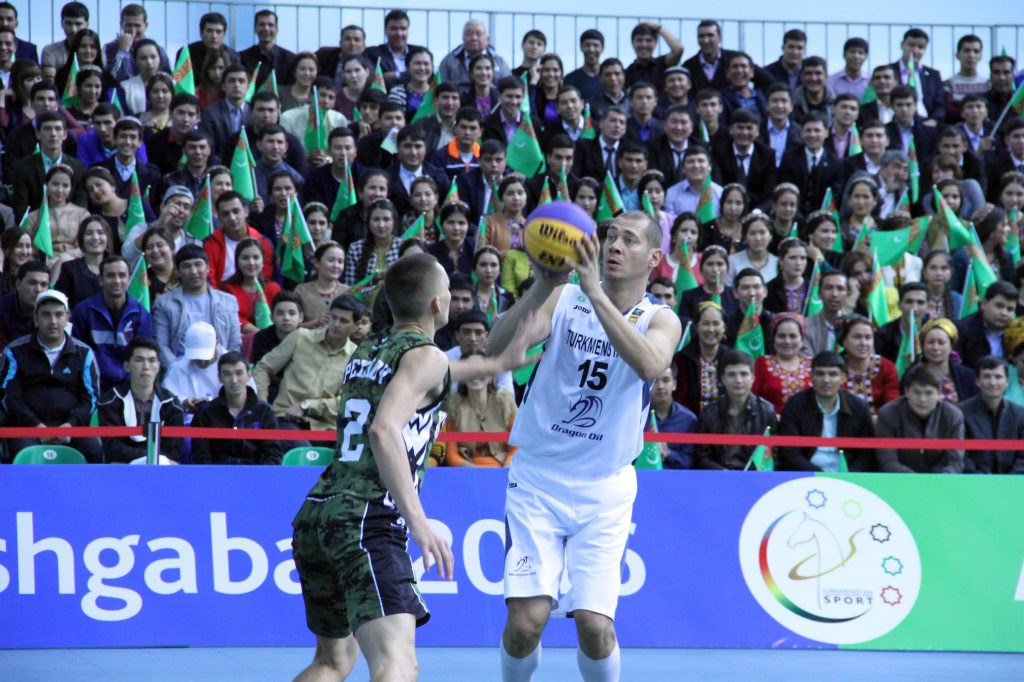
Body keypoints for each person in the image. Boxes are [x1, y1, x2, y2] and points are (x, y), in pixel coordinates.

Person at [290, 253, 527, 681]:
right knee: (397, 664)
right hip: (369, 520)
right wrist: (418, 521)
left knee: (332, 662)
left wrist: (505, 358)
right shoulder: (427, 356)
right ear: (439, 304)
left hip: (319, 513)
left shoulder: (370, 348)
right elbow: (384, 430)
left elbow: (452, 370)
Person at [487, 210, 680, 682]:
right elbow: (495, 348)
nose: (614, 245)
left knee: (595, 628)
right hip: (538, 480)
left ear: (654, 258)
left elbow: (651, 365)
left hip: (605, 489)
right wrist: (541, 283)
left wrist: (595, 291)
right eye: (610, 236)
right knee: (525, 623)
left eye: (628, 241)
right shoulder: (564, 297)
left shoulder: (662, 318)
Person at [0, 289, 102, 463]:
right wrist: (36, 425)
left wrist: (70, 426)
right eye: (46, 315)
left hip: (72, 428)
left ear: (67, 317)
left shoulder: (84, 353)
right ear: (36, 318)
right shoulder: (15, 351)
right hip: (27, 428)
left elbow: (90, 398)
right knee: (22, 455)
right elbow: (9, 397)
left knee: (94, 451)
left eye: (58, 314)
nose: (53, 321)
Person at [253, 294, 362, 434]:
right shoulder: (301, 337)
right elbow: (263, 367)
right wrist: (262, 404)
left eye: (344, 321)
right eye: (333, 317)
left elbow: (349, 401)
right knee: (302, 450)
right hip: (286, 418)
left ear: (357, 326)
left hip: (326, 426)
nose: (336, 324)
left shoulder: (357, 358)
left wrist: (307, 405)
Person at [777, 351, 875, 471]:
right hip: (806, 476)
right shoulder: (794, 405)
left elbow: (866, 454)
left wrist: (851, 476)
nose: (826, 380)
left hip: (848, 477)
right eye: (820, 374)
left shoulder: (859, 408)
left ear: (842, 378)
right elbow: (790, 453)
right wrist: (819, 475)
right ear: (811, 377)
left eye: (833, 374)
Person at [70, 255, 153, 390]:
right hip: (92, 385)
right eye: (110, 276)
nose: (117, 280)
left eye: (122, 275)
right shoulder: (83, 311)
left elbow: (143, 357)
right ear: (101, 280)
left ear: (129, 279)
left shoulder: (141, 315)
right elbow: (77, 353)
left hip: (130, 388)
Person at [96, 336, 184, 464]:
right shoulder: (110, 401)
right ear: (127, 366)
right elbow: (113, 449)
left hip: (161, 466)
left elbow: (173, 452)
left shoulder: (172, 404)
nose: (146, 367)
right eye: (139, 360)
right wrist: (148, 457)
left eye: (152, 360)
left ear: (158, 366)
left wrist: (151, 459)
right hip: (124, 465)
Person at [152, 244, 241, 369]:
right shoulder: (164, 303)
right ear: (177, 271)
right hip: (180, 369)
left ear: (208, 267)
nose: (193, 271)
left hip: (220, 370)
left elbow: (234, 344)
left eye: (198, 264)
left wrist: (226, 370)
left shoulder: (228, 302)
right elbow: (161, 345)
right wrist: (177, 371)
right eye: (186, 266)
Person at [191, 351, 283, 465]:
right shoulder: (205, 412)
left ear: (249, 375)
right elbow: (201, 456)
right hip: (217, 477)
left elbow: (274, 455)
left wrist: (261, 478)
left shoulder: (265, 412)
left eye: (239, 373)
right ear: (219, 377)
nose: (234, 380)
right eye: (227, 374)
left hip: (255, 477)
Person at [694, 350, 778, 470]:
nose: (738, 380)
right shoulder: (709, 413)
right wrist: (724, 473)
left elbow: (774, 454)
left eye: (744, 374)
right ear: (723, 379)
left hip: (754, 477)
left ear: (753, 378)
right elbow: (702, 456)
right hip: (719, 477)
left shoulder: (766, 411)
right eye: (731, 374)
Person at [876, 365, 964, 473]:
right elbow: (887, 461)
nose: (922, 399)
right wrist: (915, 481)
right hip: (900, 481)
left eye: (929, 393)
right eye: (917, 392)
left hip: (941, 482)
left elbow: (955, 461)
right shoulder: (888, 413)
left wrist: (935, 481)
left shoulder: (953, 416)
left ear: (939, 393)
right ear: (907, 391)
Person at [442, 350, 519, 467]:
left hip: (505, 469)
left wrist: (507, 468)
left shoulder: (506, 402)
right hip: (467, 472)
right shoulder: (453, 407)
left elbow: (517, 446)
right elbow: (451, 455)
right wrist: (476, 472)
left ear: (490, 377)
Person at [959, 356, 1024, 474]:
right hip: (974, 481)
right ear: (977, 381)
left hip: (1013, 483)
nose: (993, 382)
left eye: (998, 377)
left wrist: (1009, 480)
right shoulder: (961, 412)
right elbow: (961, 454)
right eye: (986, 376)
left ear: (1007, 382)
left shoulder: (1020, 415)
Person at [674, 300, 731, 415]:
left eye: (716, 324)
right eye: (705, 323)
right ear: (696, 327)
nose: (711, 329)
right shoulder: (682, 359)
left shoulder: (732, 358)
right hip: (691, 423)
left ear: (724, 327)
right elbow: (679, 399)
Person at [838, 316, 900, 415]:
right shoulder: (835, 369)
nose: (863, 343)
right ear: (843, 341)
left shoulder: (886, 367)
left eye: (868, 337)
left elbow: (892, 406)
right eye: (857, 337)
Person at [754, 312, 813, 414]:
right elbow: (753, 398)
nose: (787, 341)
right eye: (781, 336)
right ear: (773, 339)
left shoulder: (812, 364)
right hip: (772, 425)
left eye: (793, 336)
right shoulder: (762, 363)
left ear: (802, 340)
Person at [956, 281, 1018, 370]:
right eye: (999, 306)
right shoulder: (963, 329)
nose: (1004, 313)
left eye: (1010, 309)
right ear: (984, 304)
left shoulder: (1016, 333)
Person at [104, 4, 170, 83]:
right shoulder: (110, 48)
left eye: (137, 26)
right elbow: (113, 78)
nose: (133, 31)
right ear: (121, 24)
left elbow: (167, 80)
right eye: (129, 25)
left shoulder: (158, 50)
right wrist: (123, 51)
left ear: (146, 25)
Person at [650, 365, 698, 469]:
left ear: (674, 385)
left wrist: (668, 453)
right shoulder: (637, 416)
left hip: (676, 479)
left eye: (666, 380)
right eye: (654, 381)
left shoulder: (688, 420)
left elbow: (690, 462)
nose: (660, 386)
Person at [439, 19, 512, 86]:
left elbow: (508, 88)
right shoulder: (449, 62)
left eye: (478, 34)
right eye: (469, 34)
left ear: (487, 39)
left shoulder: (499, 62)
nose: (474, 38)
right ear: (463, 38)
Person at [0, 261, 49, 348]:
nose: (38, 289)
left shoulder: (53, 308)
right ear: (18, 284)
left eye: (43, 284)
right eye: (32, 283)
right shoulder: (2, 309)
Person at [802, 271, 848, 356]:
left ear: (848, 294)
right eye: (828, 288)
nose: (834, 294)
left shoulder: (855, 326)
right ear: (819, 293)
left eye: (840, 288)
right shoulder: (805, 326)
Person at [252, 290, 304, 366]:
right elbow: (260, 369)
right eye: (280, 313)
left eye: (292, 313)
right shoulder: (261, 338)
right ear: (272, 317)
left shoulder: (308, 338)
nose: (286, 318)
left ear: (301, 317)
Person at [564, 29, 605, 102]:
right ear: (581, 47)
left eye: (596, 45)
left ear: (602, 48)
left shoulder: (611, 77)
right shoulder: (570, 79)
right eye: (587, 45)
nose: (591, 49)